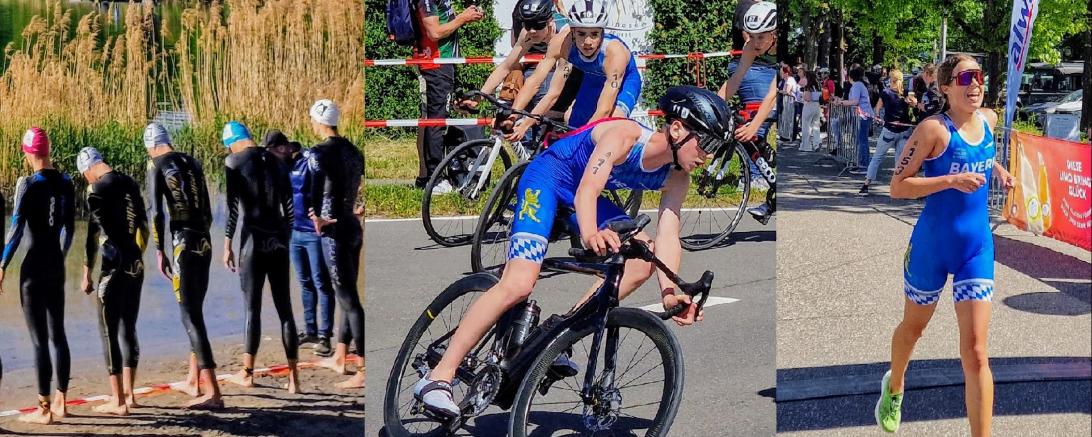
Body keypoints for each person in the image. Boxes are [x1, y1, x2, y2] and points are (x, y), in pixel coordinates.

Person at [413, 85, 724, 418]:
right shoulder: (624, 135)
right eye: (705, 143)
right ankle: (438, 378)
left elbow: (668, 235)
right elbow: (588, 189)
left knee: (640, 259)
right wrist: (590, 233)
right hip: (547, 181)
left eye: (716, 147)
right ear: (677, 129)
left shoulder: (677, 177)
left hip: (581, 198)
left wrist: (669, 294)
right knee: (519, 283)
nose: (708, 155)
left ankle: (560, 333)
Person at [877, 54, 1014, 436]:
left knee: (976, 352)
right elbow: (897, 187)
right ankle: (895, 385)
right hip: (931, 247)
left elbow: (982, 158)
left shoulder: (988, 120)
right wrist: (949, 181)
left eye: (979, 76)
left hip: (975, 248)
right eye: (965, 77)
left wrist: (998, 170)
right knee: (913, 329)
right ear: (945, 87)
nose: (975, 84)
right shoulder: (933, 130)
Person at [143, 122, 223, 409]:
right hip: (204, 240)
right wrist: (202, 235)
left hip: (183, 243)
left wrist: (159, 249)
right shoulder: (192, 162)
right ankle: (193, 380)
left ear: (150, 147)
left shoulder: (156, 166)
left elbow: (156, 213)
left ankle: (213, 392)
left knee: (188, 315)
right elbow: (208, 209)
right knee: (196, 312)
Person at [0, 128, 75, 425]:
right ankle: (62, 402)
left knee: (38, 340)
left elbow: (16, 229)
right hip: (56, 263)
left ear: (27, 152)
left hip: (33, 268)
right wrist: (63, 256)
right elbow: (69, 229)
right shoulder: (67, 182)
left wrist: (3, 264)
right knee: (59, 334)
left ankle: (44, 410)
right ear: (49, 149)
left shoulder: (27, 184)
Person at [221, 122, 301, 392]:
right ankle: (294, 380)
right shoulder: (278, 161)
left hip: (253, 239)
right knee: (285, 309)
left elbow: (233, 210)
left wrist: (227, 245)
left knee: (252, 309)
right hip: (278, 236)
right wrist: (286, 238)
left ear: (233, 141)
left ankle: (247, 373)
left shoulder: (233, 162)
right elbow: (289, 208)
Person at [75, 148, 148, 416]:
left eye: (85, 175)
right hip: (135, 263)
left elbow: (93, 234)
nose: (86, 181)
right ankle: (130, 395)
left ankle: (117, 401)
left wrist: (86, 273)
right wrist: (137, 255)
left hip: (113, 266)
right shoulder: (129, 182)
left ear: (89, 168)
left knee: (108, 332)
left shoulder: (96, 190)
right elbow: (143, 224)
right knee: (129, 328)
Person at [506, 0, 643, 139]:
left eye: (594, 34)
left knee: (609, 129)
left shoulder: (614, 53)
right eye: (581, 34)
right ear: (572, 32)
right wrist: (522, 122)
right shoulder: (563, 45)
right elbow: (545, 89)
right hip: (592, 78)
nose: (588, 42)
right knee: (573, 123)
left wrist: (578, 141)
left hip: (624, 82)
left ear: (602, 33)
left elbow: (604, 110)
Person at [305, 99, 365, 389]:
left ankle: (363, 367)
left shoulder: (317, 153)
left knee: (349, 300)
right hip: (352, 225)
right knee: (347, 295)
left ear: (318, 122)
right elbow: (359, 188)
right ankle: (341, 356)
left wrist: (317, 217)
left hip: (334, 230)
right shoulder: (354, 150)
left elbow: (315, 189)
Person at [266, 134, 337, 358]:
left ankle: (325, 336)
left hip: (314, 232)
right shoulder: (280, 165)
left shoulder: (309, 159)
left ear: (285, 147)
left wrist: (324, 212)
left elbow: (331, 182)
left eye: (275, 151)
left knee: (321, 283)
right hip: (293, 232)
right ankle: (311, 330)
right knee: (304, 282)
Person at [413, 0, 485, 189]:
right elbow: (434, 32)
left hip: (443, 63)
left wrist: (465, 16)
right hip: (435, 64)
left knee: (436, 120)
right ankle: (434, 178)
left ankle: (430, 177)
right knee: (436, 122)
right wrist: (462, 18)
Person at [718, 0, 779, 224]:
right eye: (751, 36)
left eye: (761, 37)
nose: (755, 43)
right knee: (749, 127)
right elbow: (734, 80)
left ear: (775, 33)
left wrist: (754, 126)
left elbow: (773, 93)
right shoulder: (751, 46)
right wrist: (712, 106)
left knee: (757, 125)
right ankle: (773, 192)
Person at [860, 69, 914, 195]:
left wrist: (877, 117)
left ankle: (866, 185)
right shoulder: (906, 93)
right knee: (900, 160)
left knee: (877, 157)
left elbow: (878, 108)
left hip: (889, 130)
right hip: (905, 130)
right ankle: (898, 186)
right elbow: (913, 106)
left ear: (891, 79)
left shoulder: (886, 93)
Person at [834, 66, 875, 173]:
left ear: (850, 77)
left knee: (861, 141)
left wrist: (841, 103)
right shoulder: (860, 85)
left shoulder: (857, 86)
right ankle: (862, 163)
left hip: (862, 116)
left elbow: (854, 101)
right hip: (863, 115)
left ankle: (863, 165)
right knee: (861, 140)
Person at [799, 71, 822, 152]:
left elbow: (807, 98)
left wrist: (802, 96)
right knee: (816, 126)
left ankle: (806, 145)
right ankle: (817, 143)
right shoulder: (818, 85)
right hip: (817, 105)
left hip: (809, 106)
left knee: (806, 126)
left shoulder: (808, 86)